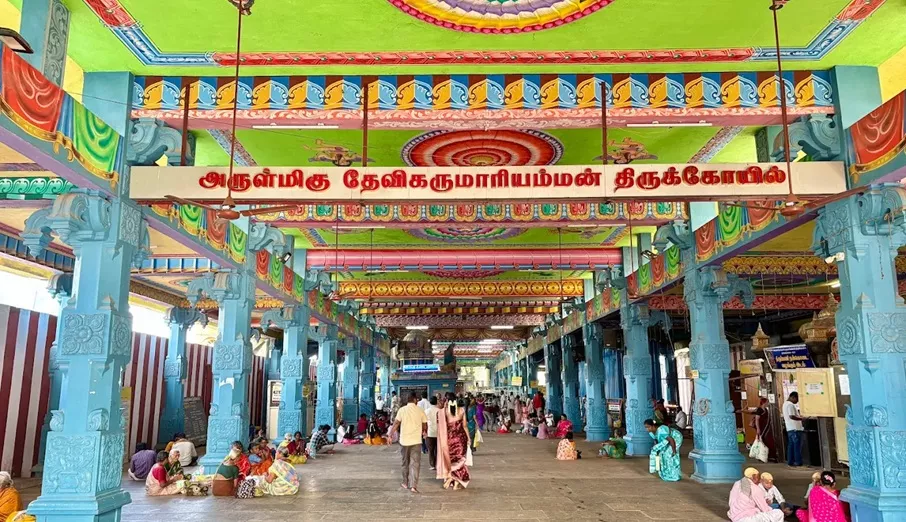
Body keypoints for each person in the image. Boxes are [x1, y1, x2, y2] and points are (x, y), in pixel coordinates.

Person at [391, 393, 428, 493]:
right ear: (415, 400)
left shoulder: (402, 410)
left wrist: (390, 435)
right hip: (416, 441)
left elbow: (396, 423)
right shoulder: (420, 410)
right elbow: (424, 424)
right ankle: (413, 486)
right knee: (415, 463)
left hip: (404, 441)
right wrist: (424, 432)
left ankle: (405, 482)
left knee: (405, 462)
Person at [436, 397, 471, 490]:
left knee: (451, 460)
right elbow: (464, 426)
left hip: (449, 440)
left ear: (447, 401)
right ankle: (454, 481)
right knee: (460, 460)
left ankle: (451, 478)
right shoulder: (462, 410)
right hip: (460, 439)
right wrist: (468, 438)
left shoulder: (443, 412)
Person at [783, 392, 805, 467]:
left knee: (791, 446)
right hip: (795, 428)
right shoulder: (790, 405)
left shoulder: (785, 404)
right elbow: (791, 416)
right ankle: (798, 461)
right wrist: (801, 418)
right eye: (797, 399)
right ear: (793, 397)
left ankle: (790, 461)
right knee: (797, 446)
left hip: (790, 428)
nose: (797, 401)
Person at [426, 396, 440, 470]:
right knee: (437, 450)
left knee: (431, 450)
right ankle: (437, 464)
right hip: (438, 432)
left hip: (429, 433)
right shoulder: (439, 411)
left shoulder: (427, 411)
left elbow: (424, 422)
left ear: (430, 402)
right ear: (436, 402)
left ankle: (432, 465)